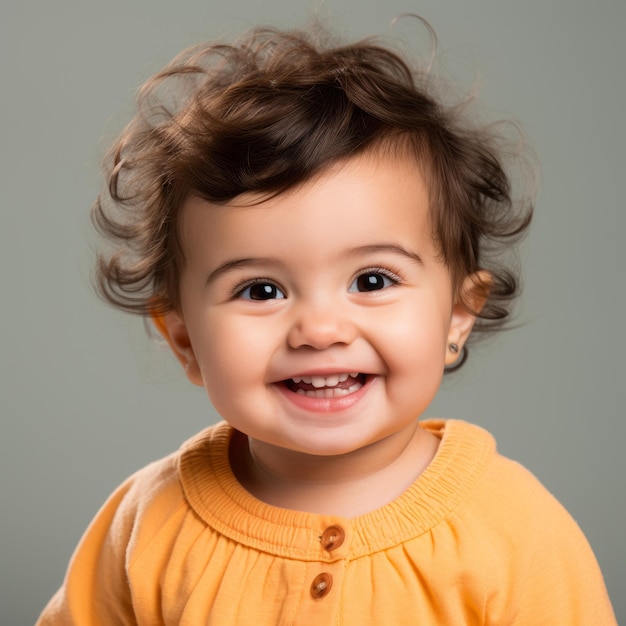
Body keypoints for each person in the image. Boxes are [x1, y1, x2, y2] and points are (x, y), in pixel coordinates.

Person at [37, 21, 616, 625]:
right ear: (184, 339)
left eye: (372, 280)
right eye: (261, 290)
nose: (320, 329)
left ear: (458, 315)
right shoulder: (148, 523)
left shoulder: (513, 527)